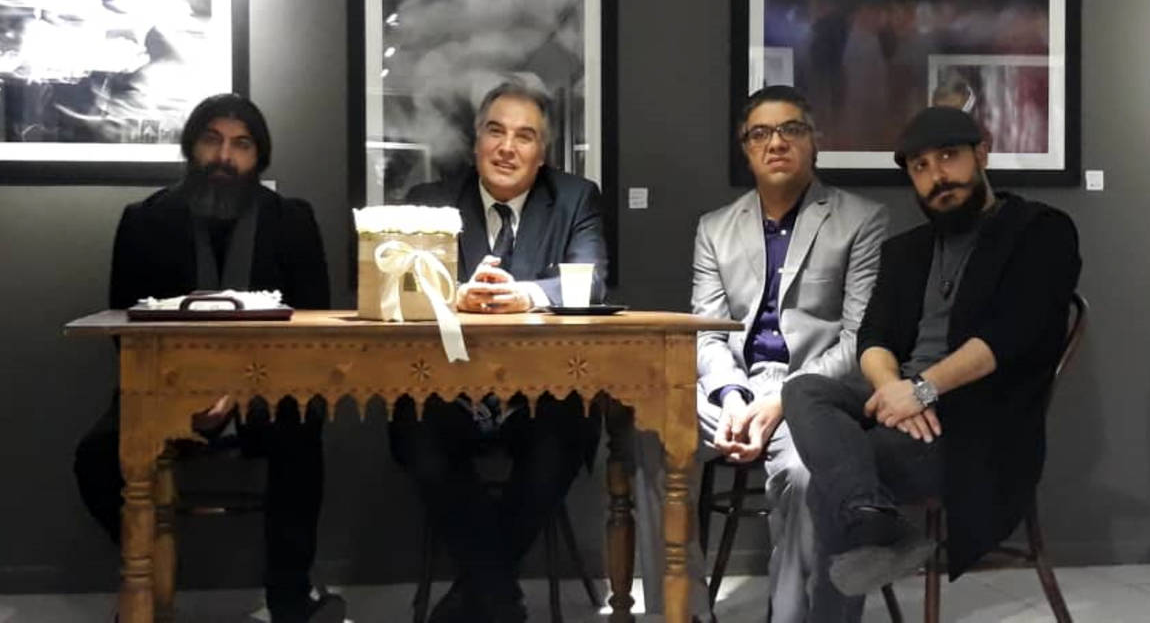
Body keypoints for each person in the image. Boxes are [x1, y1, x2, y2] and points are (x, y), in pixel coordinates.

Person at [782, 106, 1081, 597]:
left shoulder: (1040, 231)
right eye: (920, 166)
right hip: (903, 405)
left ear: (982, 154)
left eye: (948, 156)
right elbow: (873, 338)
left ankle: (869, 525)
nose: (937, 176)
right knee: (804, 389)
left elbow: (1011, 335)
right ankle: (875, 521)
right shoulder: (907, 250)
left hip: (974, 426)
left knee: (834, 479)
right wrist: (895, 390)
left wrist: (923, 390)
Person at [72, 94, 344, 623]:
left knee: (301, 430)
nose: (224, 156)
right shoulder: (144, 221)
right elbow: (125, 332)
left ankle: (290, 597)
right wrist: (187, 394)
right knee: (95, 459)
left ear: (259, 157)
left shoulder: (291, 221)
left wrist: (238, 392)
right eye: (212, 141)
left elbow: (311, 329)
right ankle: (147, 575)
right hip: (164, 390)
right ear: (191, 146)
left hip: (266, 390)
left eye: (241, 145)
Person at [636, 85, 888, 622]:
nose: (776, 142)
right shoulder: (714, 228)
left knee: (806, 472)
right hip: (733, 387)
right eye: (760, 133)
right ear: (746, 148)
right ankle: (682, 611)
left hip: (814, 392)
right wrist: (731, 396)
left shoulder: (862, 220)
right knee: (653, 435)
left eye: (791, 129)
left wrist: (783, 401)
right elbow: (706, 334)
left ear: (814, 141)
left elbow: (859, 341)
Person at [390, 80, 608, 623]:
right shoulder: (430, 202)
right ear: (476, 143)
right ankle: (498, 599)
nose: (507, 147)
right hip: (448, 389)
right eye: (496, 131)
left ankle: (476, 597)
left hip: (542, 392)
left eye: (524, 136)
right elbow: (396, 287)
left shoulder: (576, 198)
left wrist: (526, 294)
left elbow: (592, 282)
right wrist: (453, 296)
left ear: (542, 154)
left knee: (564, 434)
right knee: (417, 434)